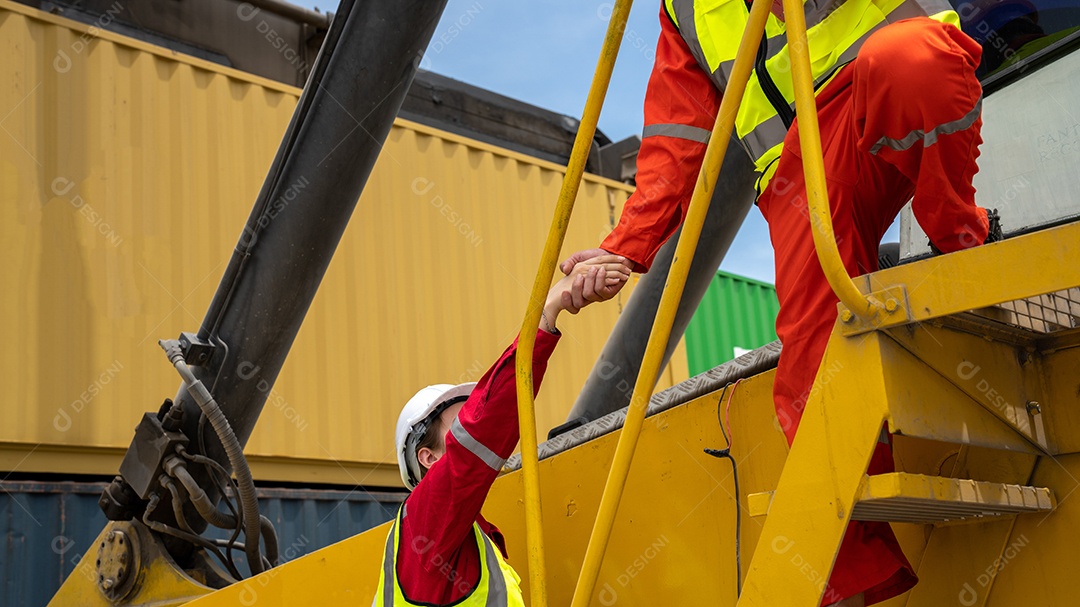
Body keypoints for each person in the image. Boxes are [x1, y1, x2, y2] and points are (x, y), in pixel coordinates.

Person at [561, 1, 1001, 605]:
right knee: (811, 364)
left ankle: (961, 242)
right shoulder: (684, 9)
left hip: (873, 91)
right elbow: (680, 137)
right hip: (797, 168)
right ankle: (858, 576)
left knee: (911, 58)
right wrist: (624, 247)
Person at [372, 255, 631, 606]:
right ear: (427, 457)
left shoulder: (469, 541)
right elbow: (482, 431)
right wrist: (547, 312)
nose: (470, 428)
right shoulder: (424, 522)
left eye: (469, 421)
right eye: (458, 426)